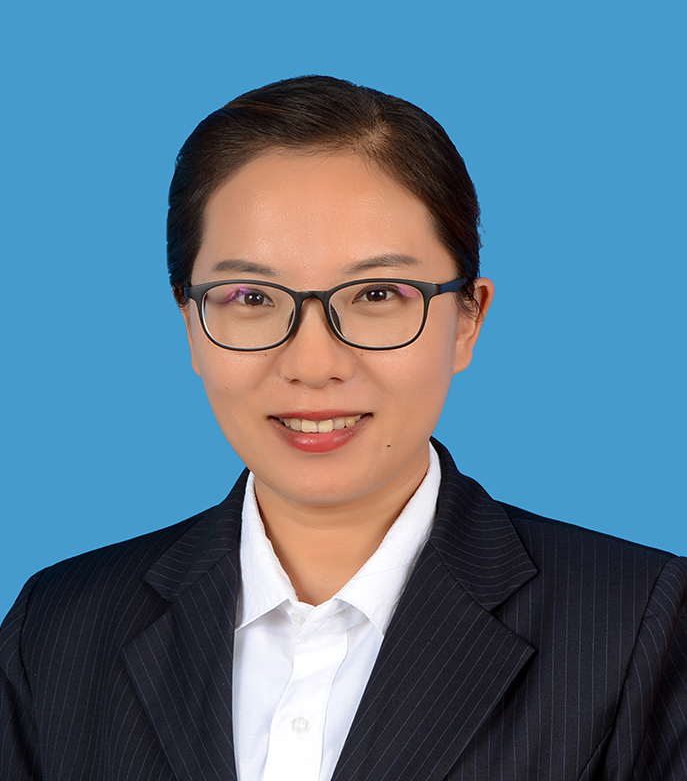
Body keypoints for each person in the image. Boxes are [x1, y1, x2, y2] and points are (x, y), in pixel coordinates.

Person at [1, 75, 686, 781]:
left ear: (467, 319)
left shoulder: (641, 627)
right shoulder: (55, 632)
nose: (313, 364)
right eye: (251, 297)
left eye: (377, 294)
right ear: (191, 324)